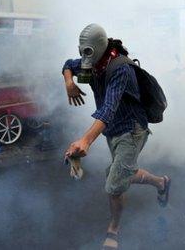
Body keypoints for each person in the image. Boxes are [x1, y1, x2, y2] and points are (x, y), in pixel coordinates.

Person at [62, 24, 171, 250]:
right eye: (83, 52)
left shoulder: (120, 68)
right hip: (113, 131)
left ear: (100, 48)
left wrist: (85, 141)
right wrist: (69, 83)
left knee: (114, 185)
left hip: (131, 130)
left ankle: (114, 229)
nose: (84, 59)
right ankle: (161, 182)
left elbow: (108, 109)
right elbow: (67, 65)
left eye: (88, 53)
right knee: (123, 172)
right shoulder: (90, 62)